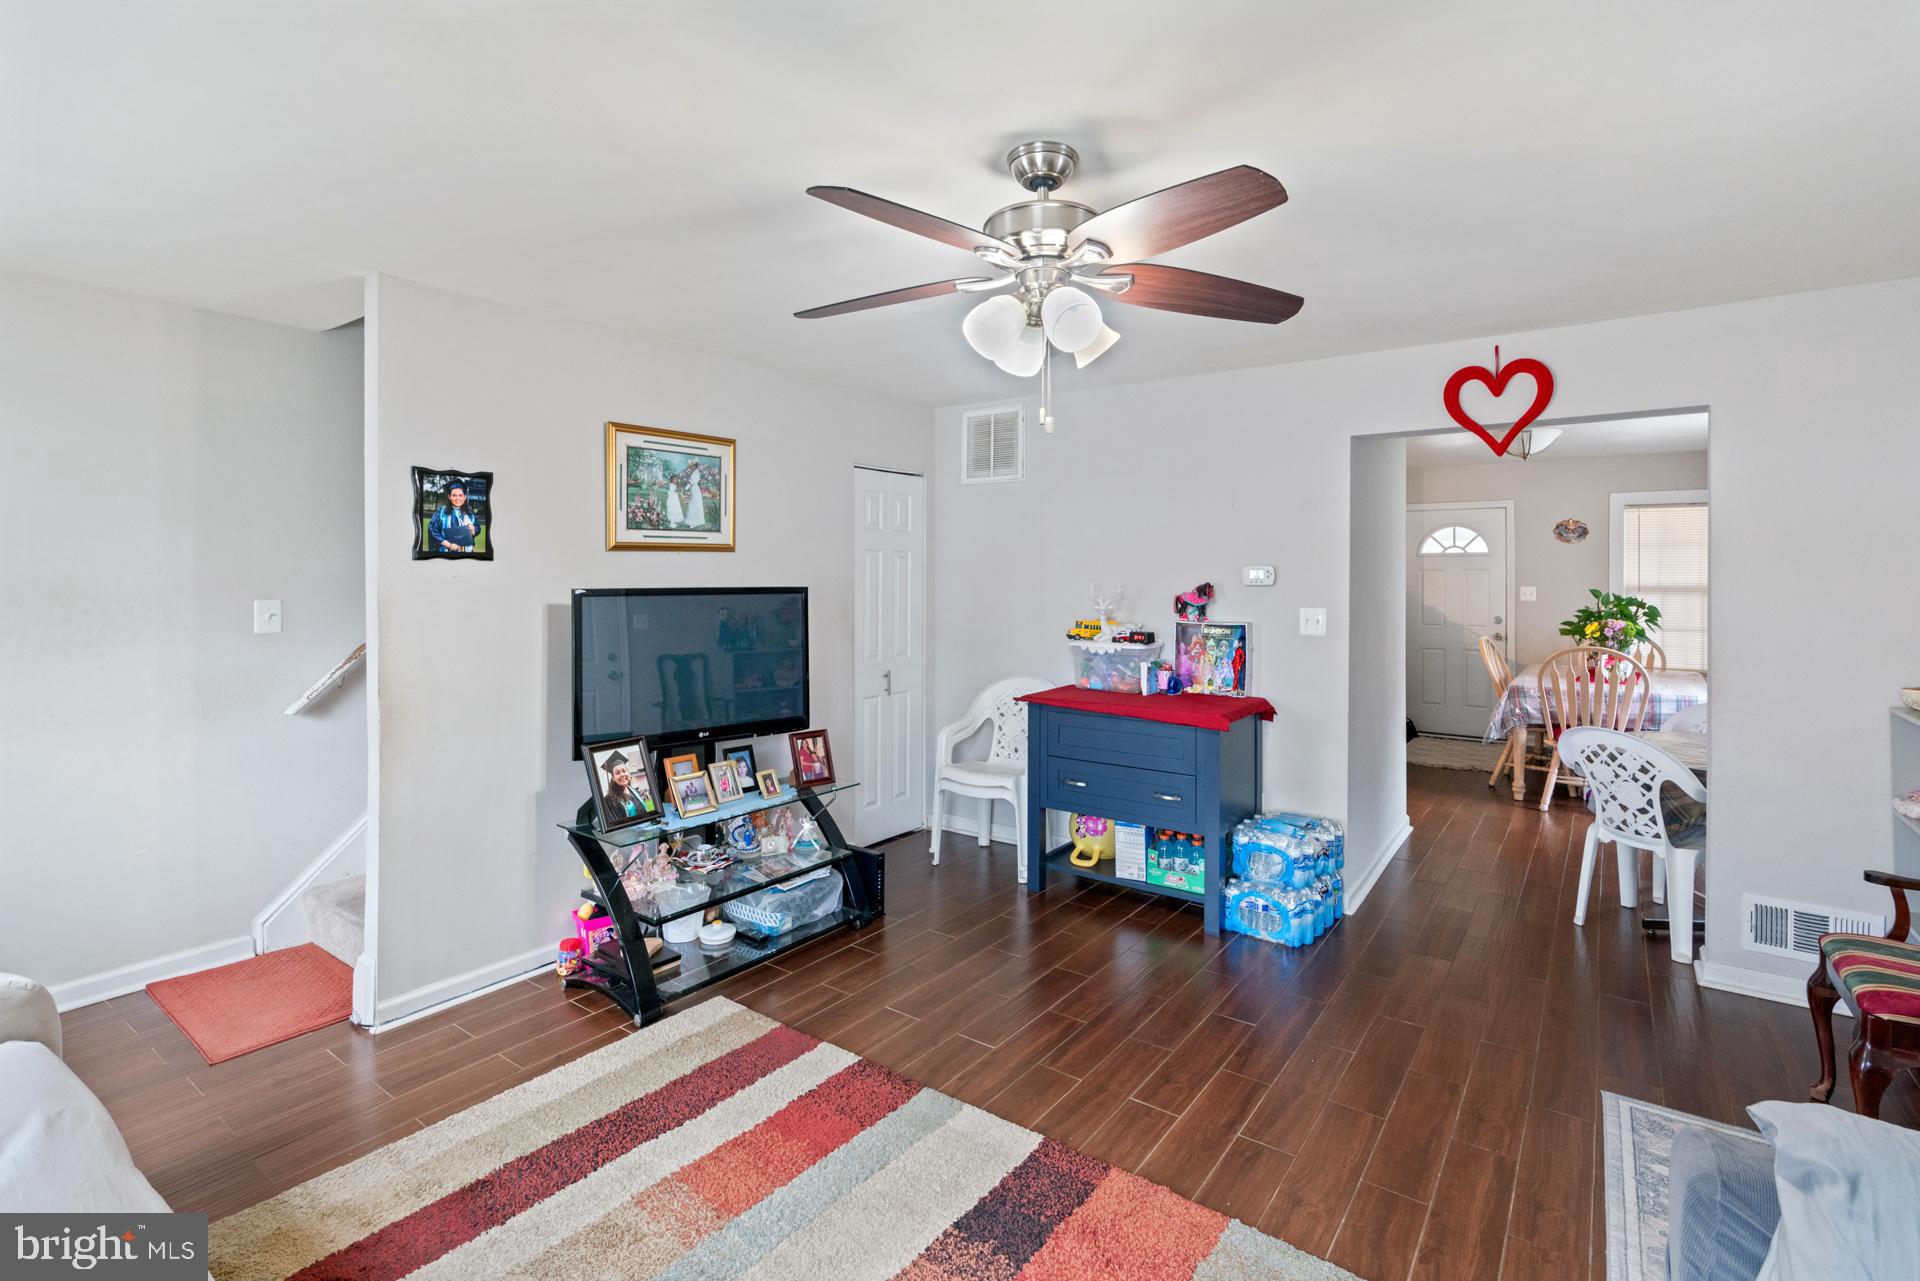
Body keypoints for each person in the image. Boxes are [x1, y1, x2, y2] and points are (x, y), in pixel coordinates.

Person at [599, 751, 654, 825]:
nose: (622, 774)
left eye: (624, 771)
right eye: (618, 773)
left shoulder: (635, 792)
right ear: (613, 778)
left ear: (629, 773)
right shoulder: (609, 800)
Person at [428, 481, 479, 553]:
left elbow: (477, 527)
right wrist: (449, 545)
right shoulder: (441, 512)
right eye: (454, 495)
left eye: (460, 495)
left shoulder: (469, 514)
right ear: (449, 497)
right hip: (445, 552)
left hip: (466, 553)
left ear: (465, 497)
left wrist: (473, 530)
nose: (457, 498)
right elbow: (433, 530)